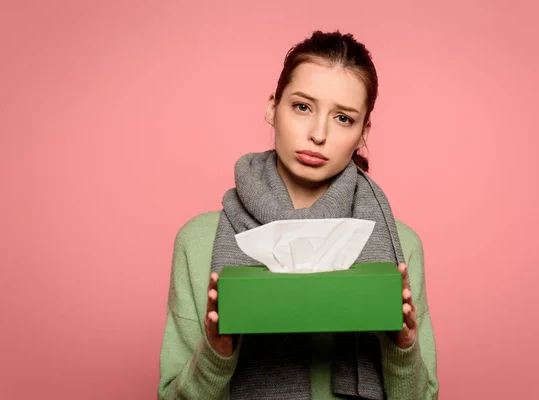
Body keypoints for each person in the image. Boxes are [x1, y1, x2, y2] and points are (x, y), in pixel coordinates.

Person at [158, 30, 439, 400]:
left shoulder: (399, 244)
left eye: (342, 118)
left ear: (362, 133)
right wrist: (216, 355)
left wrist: (400, 351)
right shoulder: (198, 242)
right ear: (272, 107)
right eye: (302, 107)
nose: (318, 134)